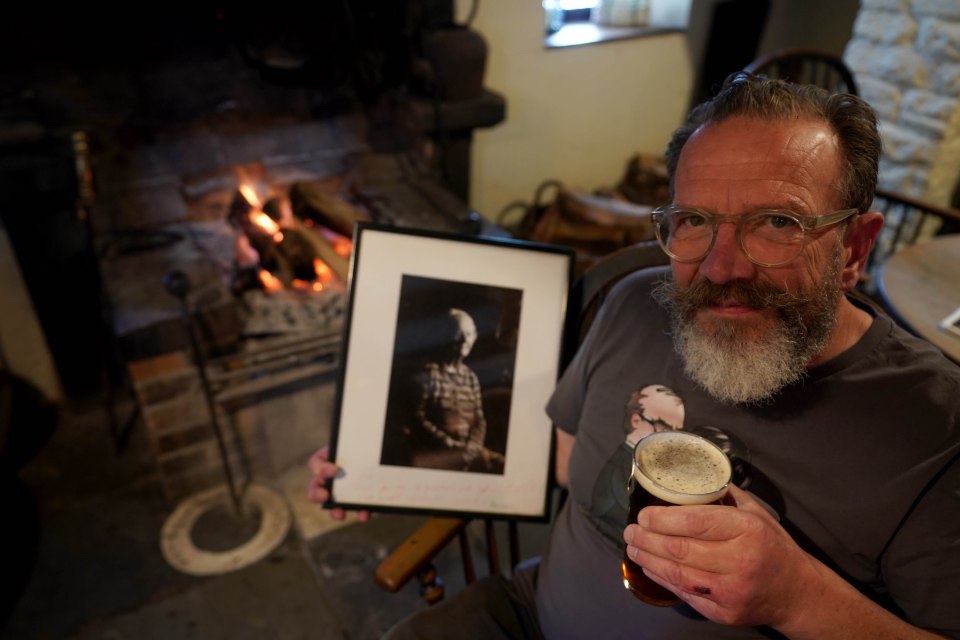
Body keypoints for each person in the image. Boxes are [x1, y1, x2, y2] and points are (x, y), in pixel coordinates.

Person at [307, 73, 960, 638]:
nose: (722, 266)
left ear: (854, 248)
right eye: (694, 220)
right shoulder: (633, 305)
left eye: (778, 223)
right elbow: (566, 458)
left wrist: (799, 598)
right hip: (530, 618)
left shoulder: (937, 432)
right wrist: (391, 457)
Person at [381, 307, 505, 473]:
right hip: (435, 453)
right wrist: (453, 448)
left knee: (505, 466)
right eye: (458, 333)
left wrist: (472, 448)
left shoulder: (470, 377)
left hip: (468, 452)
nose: (464, 340)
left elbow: (479, 420)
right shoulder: (426, 374)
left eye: (468, 334)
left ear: (474, 337)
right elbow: (417, 421)